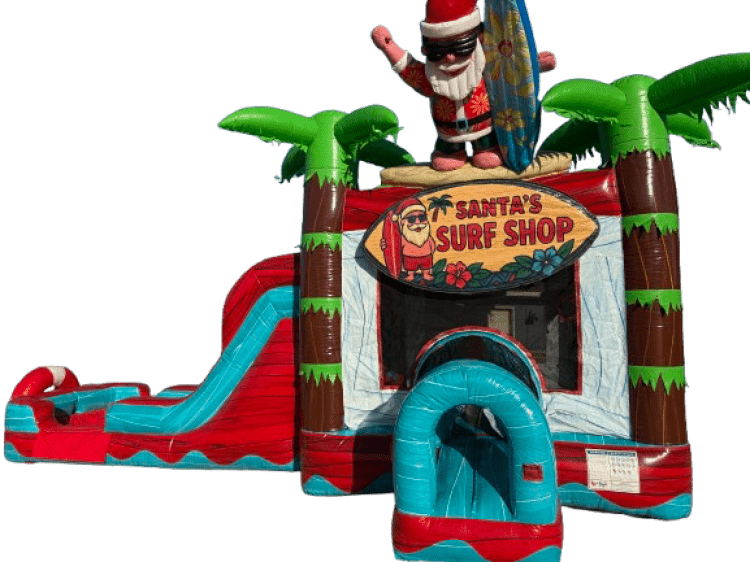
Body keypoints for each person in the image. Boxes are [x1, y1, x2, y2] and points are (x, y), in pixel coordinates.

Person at [371, 0, 555, 171]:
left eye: (461, 47)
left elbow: (510, 68)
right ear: (426, 48)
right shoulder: (432, 76)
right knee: (446, 158)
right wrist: (389, 47)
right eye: (438, 51)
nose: (450, 58)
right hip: (448, 135)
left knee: (487, 156)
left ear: (478, 38)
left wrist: (534, 65)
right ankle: (451, 151)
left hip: (484, 131)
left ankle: (484, 149)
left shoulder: (486, 65)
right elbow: (411, 72)